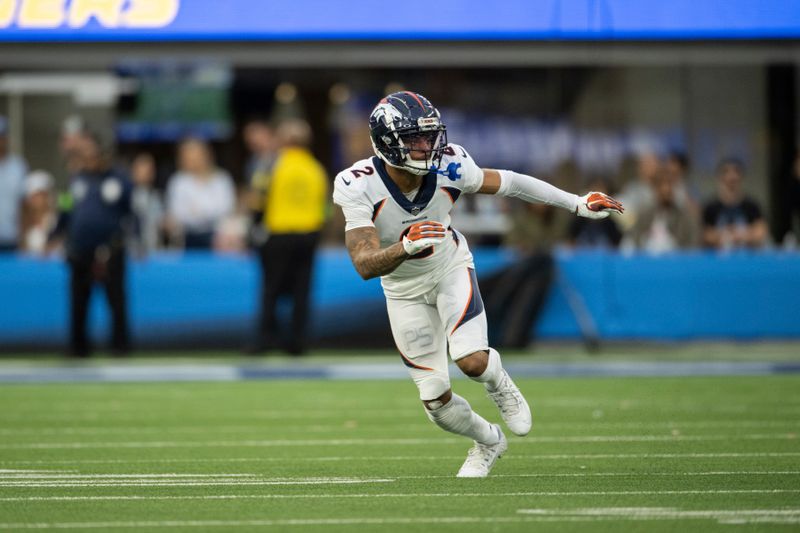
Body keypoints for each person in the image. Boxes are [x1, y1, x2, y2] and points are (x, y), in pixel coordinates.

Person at [332, 92, 623, 478]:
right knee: (435, 402)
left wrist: (576, 203)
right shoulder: (358, 184)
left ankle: (498, 381)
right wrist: (404, 246)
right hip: (402, 290)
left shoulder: (450, 164)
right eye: (415, 139)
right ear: (387, 142)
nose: (428, 146)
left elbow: (510, 182)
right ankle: (488, 439)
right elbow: (364, 264)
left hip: (448, 268)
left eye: (429, 136)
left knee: (471, 360)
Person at [50, 131, 135, 357]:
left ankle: (120, 346)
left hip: (111, 248)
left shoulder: (119, 179)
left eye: (92, 153)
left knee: (116, 300)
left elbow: (131, 212)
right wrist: (54, 235)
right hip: (80, 250)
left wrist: (135, 239)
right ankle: (78, 347)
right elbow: (65, 210)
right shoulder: (73, 181)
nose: (89, 158)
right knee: (78, 301)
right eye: (83, 154)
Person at [248, 119, 329, 355]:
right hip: (308, 234)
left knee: (271, 290)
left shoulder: (272, 164)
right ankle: (297, 342)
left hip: (278, 233)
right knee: (301, 291)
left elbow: (258, 197)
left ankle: (265, 339)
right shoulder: (316, 168)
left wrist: (254, 224)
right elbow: (326, 206)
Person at [165, 138, 236, 250]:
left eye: (195, 155)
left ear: (206, 155)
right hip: (186, 239)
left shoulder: (222, 179)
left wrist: (198, 212)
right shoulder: (178, 181)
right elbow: (178, 213)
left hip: (218, 240)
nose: (192, 160)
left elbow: (225, 209)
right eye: (187, 157)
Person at [701, 158, 768, 250]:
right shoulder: (710, 207)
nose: (731, 176)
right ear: (720, 178)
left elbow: (761, 232)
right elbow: (705, 234)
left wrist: (741, 235)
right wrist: (726, 235)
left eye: (736, 172)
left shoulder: (752, 206)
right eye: (726, 172)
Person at [628, 167, 697, 253]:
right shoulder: (644, 216)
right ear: (654, 188)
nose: (666, 189)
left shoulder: (684, 218)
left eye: (669, 184)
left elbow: (693, 247)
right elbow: (634, 242)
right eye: (661, 184)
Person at [0, 115, 28, 251]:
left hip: (12, 238)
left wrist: (24, 236)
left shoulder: (18, 167)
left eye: (2, 136)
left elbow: (25, 204)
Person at [130, 153, 165, 255]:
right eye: (142, 169)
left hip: (153, 251)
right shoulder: (126, 196)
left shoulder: (159, 197)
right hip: (132, 252)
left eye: (150, 170)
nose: (146, 173)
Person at [20, 170, 58, 255]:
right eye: (34, 196)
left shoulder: (56, 221)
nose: (38, 200)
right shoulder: (23, 223)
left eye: (42, 195)